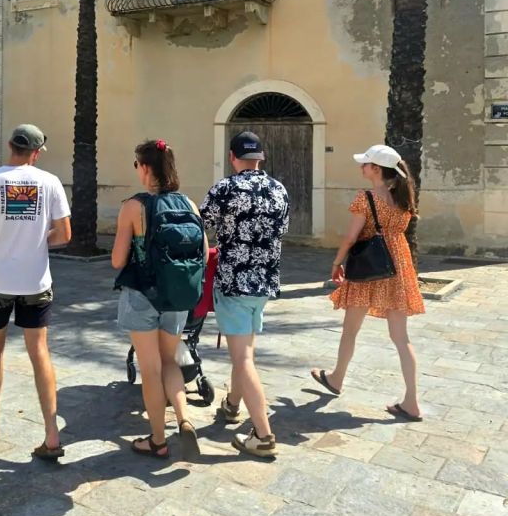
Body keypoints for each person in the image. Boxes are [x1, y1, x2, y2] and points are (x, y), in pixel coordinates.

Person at [0, 124, 71, 458]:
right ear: (36, 153)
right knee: (39, 351)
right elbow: (64, 234)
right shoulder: (50, 182)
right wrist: (37, 242)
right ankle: (51, 434)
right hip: (35, 281)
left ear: (10, 146)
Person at [311, 144, 424, 421]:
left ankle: (336, 378)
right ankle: (412, 401)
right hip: (398, 266)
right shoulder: (402, 196)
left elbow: (351, 237)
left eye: (365, 164)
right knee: (401, 338)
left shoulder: (366, 198)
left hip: (369, 268)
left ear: (376, 169)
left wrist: (337, 262)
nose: (361, 167)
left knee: (350, 330)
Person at [112, 139, 207, 460]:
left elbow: (117, 260)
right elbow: (204, 253)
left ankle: (157, 440)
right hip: (177, 297)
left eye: (137, 165)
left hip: (142, 295)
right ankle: (184, 419)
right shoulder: (189, 204)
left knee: (150, 369)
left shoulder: (133, 207)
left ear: (145, 167)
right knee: (169, 362)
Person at [200, 131, 289, 458]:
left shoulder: (225, 188)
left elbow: (200, 225)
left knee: (243, 358)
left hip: (233, 282)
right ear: (260, 157)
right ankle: (232, 404)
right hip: (264, 283)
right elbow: (281, 230)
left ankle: (263, 435)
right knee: (245, 351)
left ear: (232, 157)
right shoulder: (279, 190)